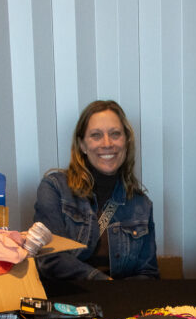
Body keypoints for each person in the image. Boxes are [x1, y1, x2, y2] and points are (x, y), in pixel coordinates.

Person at [34, 100, 159, 280]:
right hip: (67, 302)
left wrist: (120, 297)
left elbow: (148, 274)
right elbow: (50, 258)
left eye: (115, 134)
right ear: (82, 145)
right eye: (96, 135)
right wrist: (104, 284)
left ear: (126, 142)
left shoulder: (141, 204)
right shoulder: (55, 188)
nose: (107, 143)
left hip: (121, 302)